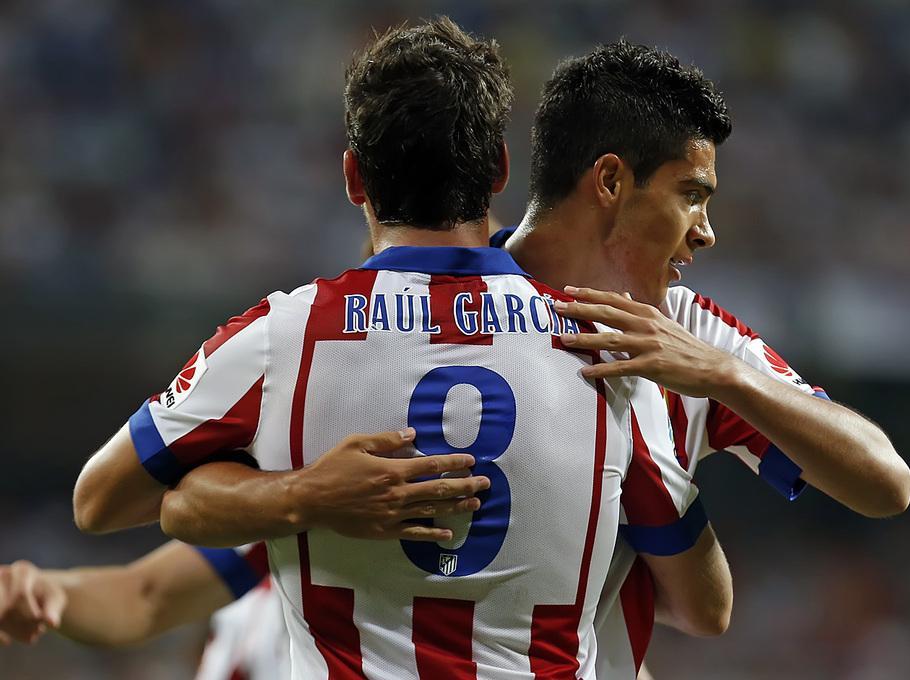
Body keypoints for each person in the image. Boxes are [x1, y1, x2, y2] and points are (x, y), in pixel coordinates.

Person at [69, 19, 731, 679]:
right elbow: (704, 607)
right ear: (501, 171)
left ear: (354, 178)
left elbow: (98, 501)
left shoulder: (281, 339)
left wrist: (303, 495)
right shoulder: (606, 347)